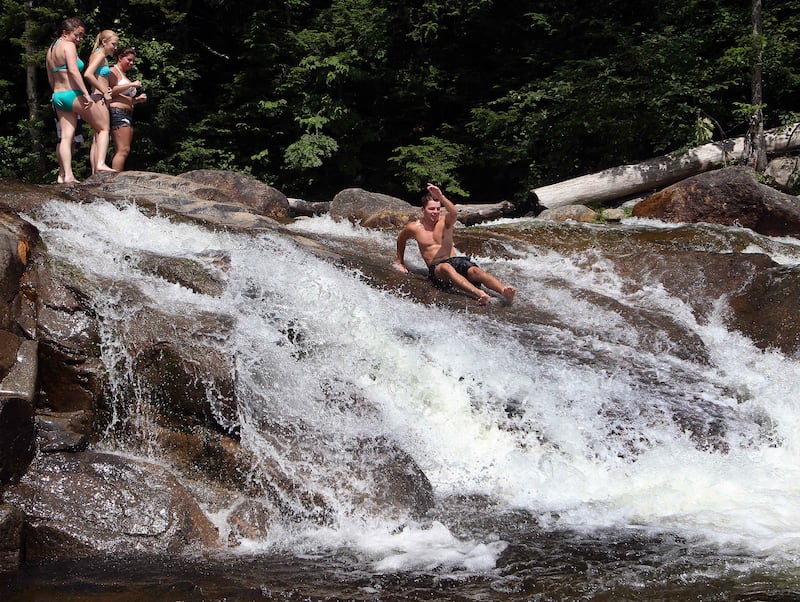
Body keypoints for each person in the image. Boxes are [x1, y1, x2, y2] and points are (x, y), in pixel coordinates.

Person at [395, 183, 516, 305]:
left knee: (476, 271)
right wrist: (400, 262)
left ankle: (504, 291)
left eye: (438, 209)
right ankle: (480, 294)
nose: (435, 212)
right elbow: (401, 239)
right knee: (446, 268)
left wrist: (440, 196)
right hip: (437, 269)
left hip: (455, 261)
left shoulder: (445, 222)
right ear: (423, 210)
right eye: (431, 209)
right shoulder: (414, 227)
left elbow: (454, 212)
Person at [45, 17, 114, 183]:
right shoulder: (68, 46)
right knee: (103, 127)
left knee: (66, 137)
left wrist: (56, 94)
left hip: (58, 95)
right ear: (65, 33)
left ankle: (66, 175)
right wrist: (85, 94)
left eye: (82, 35)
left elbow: (50, 77)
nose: (80, 39)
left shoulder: (51, 49)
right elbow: (75, 72)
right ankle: (100, 164)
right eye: (77, 35)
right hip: (72, 94)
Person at [83, 29, 118, 173]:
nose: (115, 48)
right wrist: (104, 91)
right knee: (104, 130)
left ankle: (95, 171)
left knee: (97, 136)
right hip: (99, 97)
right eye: (113, 44)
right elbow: (88, 74)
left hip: (97, 96)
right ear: (104, 42)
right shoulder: (99, 55)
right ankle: (100, 164)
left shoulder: (98, 54)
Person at [108, 47, 147, 171]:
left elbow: (124, 98)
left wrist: (137, 100)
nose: (131, 63)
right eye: (129, 60)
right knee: (123, 149)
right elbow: (110, 91)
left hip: (126, 113)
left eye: (133, 61)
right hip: (118, 113)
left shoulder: (123, 74)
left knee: (125, 149)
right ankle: (115, 180)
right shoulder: (113, 71)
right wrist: (131, 84)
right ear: (120, 58)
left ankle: (116, 175)